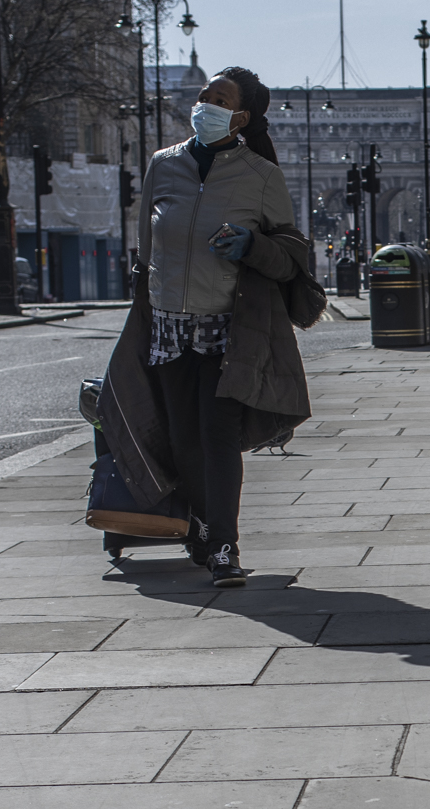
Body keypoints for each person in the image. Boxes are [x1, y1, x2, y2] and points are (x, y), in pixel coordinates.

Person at [102, 67, 311, 588]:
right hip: (169, 326)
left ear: (240, 117)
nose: (206, 105)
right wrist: (144, 302)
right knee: (181, 437)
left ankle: (223, 544)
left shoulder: (260, 175)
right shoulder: (163, 165)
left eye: (219, 100)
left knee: (216, 434)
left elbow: (293, 255)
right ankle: (197, 524)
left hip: (227, 326)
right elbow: (147, 251)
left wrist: (251, 245)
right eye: (203, 97)